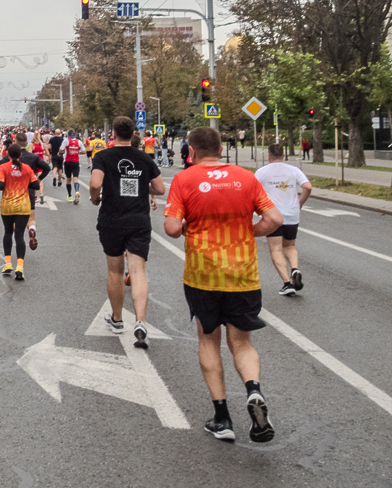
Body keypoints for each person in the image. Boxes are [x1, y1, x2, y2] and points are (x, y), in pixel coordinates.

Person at [164, 127, 282, 444]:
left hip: (202, 275)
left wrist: (189, 224)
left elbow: (172, 227)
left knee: (208, 339)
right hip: (243, 274)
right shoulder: (246, 178)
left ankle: (222, 418)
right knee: (242, 343)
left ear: (191, 150)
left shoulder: (184, 180)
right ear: (220, 148)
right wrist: (249, 231)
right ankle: (253, 390)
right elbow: (274, 219)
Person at [90, 117, 165, 348]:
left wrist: (95, 198)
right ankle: (140, 320)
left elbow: (94, 184)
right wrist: (143, 188)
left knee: (115, 271)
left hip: (112, 220)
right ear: (133, 132)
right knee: (138, 270)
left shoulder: (103, 157)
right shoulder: (144, 158)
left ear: (113, 133)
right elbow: (160, 189)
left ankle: (118, 318)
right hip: (138, 220)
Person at [253, 145, 312, 296]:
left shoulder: (262, 172)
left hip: (273, 215)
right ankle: (295, 268)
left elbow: (251, 190)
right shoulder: (293, 170)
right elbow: (308, 187)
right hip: (292, 213)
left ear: (268, 155)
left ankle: (287, 283)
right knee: (290, 246)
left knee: (276, 249)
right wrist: (300, 203)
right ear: (283, 155)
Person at [0, 145, 36, 279]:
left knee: (8, 232)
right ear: (20, 155)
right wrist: (24, 182)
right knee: (19, 236)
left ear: (8, 155)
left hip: (7, 205)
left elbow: (0, 186)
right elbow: (35, 185)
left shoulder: (3, 167)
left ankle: (7, 263)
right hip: (23, 206)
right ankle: (20, 266)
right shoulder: (27, 168)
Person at [60, 131, 84, 204]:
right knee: (75, 178)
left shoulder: (66, 141)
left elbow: (61, 149)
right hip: (76, 162)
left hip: (68, 161)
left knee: (68, 179)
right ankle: (77, 191)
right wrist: (77, 152)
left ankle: (70, 196)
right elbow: (84, 151)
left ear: (68, 135)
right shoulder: (79, 142)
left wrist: (62, 152)